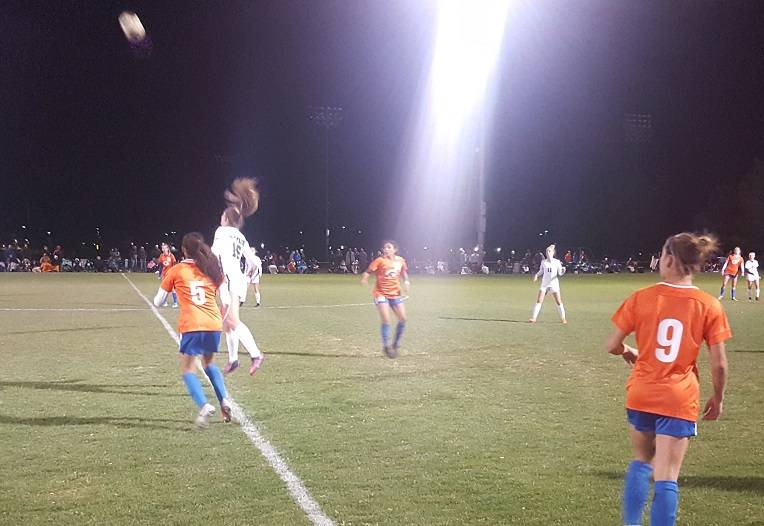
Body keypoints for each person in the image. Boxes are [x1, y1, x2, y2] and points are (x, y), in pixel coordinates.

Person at [604, 232, 730, 526]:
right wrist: (718, 397)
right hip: (678, 397)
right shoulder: (709, 305)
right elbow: (719, 363)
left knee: (641, 461)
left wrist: (628, 351)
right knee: (667, 475)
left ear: (670, 259)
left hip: (642, 393)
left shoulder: (641, 298)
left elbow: (612, 345)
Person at [153, 232, 233, 429]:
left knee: (188, 369)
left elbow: (158, 301)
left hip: (192, 325)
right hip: (213, 324)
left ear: (183, 250)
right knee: (208, 363)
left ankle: (205, 406)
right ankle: (224, 401)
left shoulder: (177, 270)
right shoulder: (211, 269)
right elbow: (227, 299)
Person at [211, 178, 264, 375]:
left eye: (222, 216)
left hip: (230, 281)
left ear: (226, 220)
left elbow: (214, 254)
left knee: (232, 321)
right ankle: (233, 359)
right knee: (227, 322)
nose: (221, 218)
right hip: (236, 280)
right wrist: (252, 272)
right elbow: (254, 261)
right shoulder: (241, 236)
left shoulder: (221, 232)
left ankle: (256, 354)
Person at [360, 240, 410, 358]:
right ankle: (386, 346)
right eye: (384, 247)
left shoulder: (400, 260)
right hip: (381, 294)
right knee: (386, 320)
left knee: (403, 319)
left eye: (388, 247)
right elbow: (368, 271)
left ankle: (395, 344)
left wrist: (407, 282)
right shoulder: (380, 260)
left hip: (395, 294)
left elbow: (404, 272)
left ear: (395, 249)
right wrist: (364, 278)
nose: (385, 249)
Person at [529, 244, 566, 324]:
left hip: (554, 284)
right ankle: (533, 318)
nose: (547, 253)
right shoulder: (544, 262)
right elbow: (541, 271)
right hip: (545, 284)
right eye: (546, 251)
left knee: (558, 301)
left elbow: (560, 273)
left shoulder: (557, 262)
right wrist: (536, 275)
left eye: (549, 251)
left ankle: (563, 318)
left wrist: (563, 271)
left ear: (553, 253)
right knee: (539, 301)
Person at [158, 242, 178, 307]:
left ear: (167, 249)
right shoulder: (161, 256)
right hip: (164, 275)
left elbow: (174, 265)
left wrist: (174, 273)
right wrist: (159, 275)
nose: (163, 249)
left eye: (164, 248)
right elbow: (161, 266)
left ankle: (175, 302)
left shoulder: (171, 256)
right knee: (164, 289)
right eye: (162, 248)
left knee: (172, 289)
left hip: (170, 275)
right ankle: (165, 302)